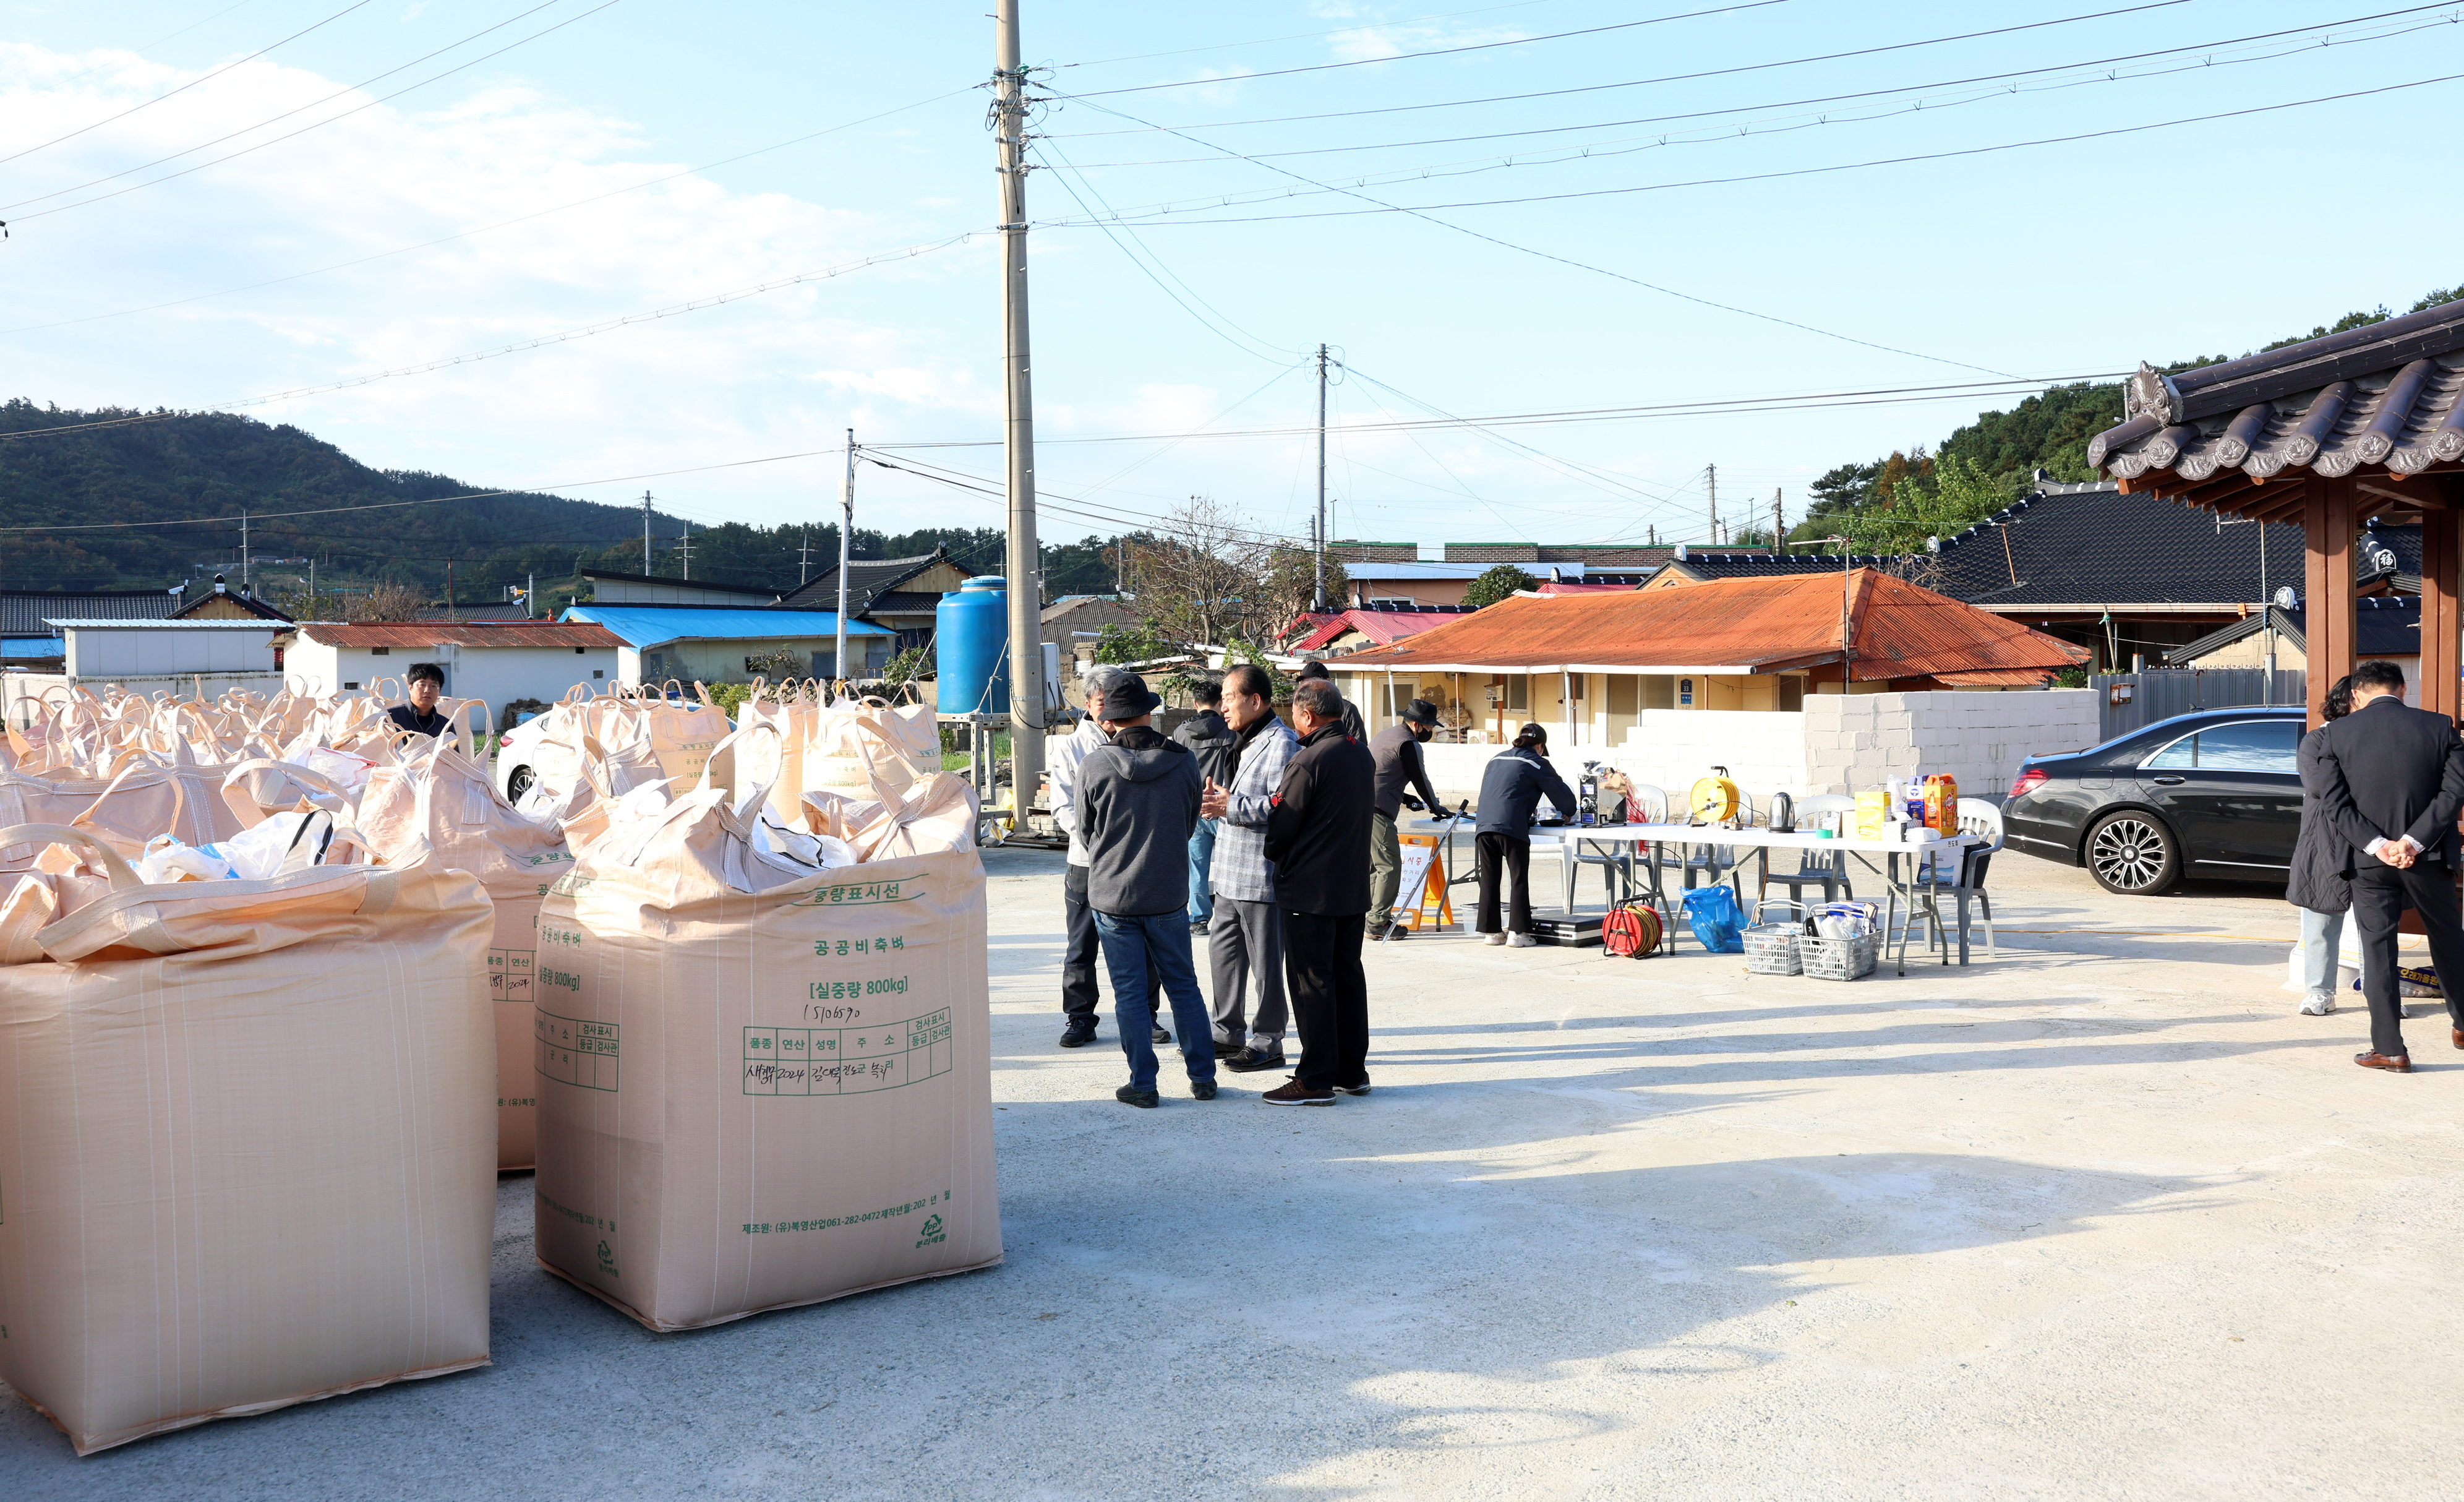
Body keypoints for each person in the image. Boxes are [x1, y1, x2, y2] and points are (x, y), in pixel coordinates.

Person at [2309, 659, 2464, 1072]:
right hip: (2428, 857)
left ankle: (2390, 1048)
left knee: (2378, 950)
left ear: (2357, 694)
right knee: (2449, 939)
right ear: (2401, 690)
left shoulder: (2335, 735)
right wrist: (2413, 841)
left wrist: (2380, 846)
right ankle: (2463, 1024)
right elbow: (2454, 794)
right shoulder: (2439, 727)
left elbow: (2335, 804)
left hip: (2369, 861)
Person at [1076, 674, 1217, 1108]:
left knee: (1132, 993)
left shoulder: (1096, 764)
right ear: (1149, 712)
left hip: (1113, 895)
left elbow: (1085, 832)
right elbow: (1192, 819)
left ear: (1110, 721)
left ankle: (1143, 1083)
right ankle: (1203, 1077)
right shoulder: (1184, 761)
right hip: (1169, 893)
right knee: (1184, 986)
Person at [1260, 677, 1377, 1106]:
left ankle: (1314, 1078)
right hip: (1349, 885)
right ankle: (1351, 1070)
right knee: (1346, 978)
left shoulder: (1309, 760)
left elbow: (1282, 826)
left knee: (1313, 983)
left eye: (1295, 712)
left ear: (1307, 715)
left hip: (1310, 890)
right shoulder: (1358, 753)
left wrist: (1276, 851)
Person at [1050, 666, 1164, 1050]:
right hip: (1086, 864)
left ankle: (1146, 1015)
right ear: (1090, 703)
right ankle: (1080, 1017)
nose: (1110, 709)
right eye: (1103, 701)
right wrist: (1100, 843)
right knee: (1081, 946)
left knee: (1145, 943)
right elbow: (1064, 808)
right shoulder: (1071, 747)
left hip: (1136, 862)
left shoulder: (1149, 742)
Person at [1196, 665, 1298, 1072]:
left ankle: (1269, 1040)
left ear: (1255, 701)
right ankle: (1226, 1033)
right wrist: (1224, 800)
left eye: (1229, 697)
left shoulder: (1282, 743)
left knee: (1266, 967)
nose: (1223, 706)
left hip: (1260, 875)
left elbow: (1283, 806)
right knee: (1223, 957)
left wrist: (1230, 806)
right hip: (1228, 874)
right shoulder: (1242, 740)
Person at [1474, 723, 1576, 948]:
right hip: (1511, 825)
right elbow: (1565, 800)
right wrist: (1568, 812)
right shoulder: (1538, 763)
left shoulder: (1496, 759)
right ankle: (1518, 933)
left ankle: (1492, 933)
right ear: (1540, 745)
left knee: (1490, 879)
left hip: (1483, 825)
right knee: (1518, 879)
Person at [2289, 675, 2356, 1017]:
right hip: (2324, 839)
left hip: (2374, 839)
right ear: (2350, 701)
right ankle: (2320, 991)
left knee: (2377, 924)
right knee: (2320, 920)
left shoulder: (2374, 740)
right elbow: (2318, 786)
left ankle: (2382, 992)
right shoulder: (2316, 740)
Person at [1368, 698, 1445, 939]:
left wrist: (1404, 797)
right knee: (1390, 867)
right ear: (1416, 725)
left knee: (1374, 868)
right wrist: (1437, 808)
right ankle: (1378, 923)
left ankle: (1372, 916)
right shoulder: (1409, 744)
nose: (1431, 731)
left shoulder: (1386, 735)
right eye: (1429, 726)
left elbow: (1382, 774)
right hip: (1377, 811)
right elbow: (1420, 778)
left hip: (1359, 806)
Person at [1172, 679, 1235, 938]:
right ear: (1221, 703)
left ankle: (1198, 919)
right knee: (1230, 866)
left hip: (1193, 809)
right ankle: (1228, 917)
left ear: (1195, 704)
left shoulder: (1180, 734)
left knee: (1197, 867)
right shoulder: (1232, 731)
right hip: (1224, 806)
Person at [1293, 659, 1366, 742]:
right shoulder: (1300, 709)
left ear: (1328, 681)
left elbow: (1359, 742)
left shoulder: (1347, 709)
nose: (1310, 687)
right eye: (1305, 682)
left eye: (1314, 682)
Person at [387, 663, 450, 737]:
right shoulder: (390, 718)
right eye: (422, 685)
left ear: (439, 691)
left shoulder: (445, 725)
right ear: (410, 688)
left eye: (434, 686)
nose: (427, 690)